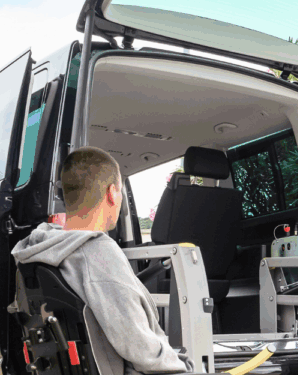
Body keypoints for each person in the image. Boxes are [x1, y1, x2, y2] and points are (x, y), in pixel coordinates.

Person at [12, 146, 189, 375]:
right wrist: (184, 367)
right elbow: (141, 350)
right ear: (112, 193)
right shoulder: (97, 253)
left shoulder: (41, 250)